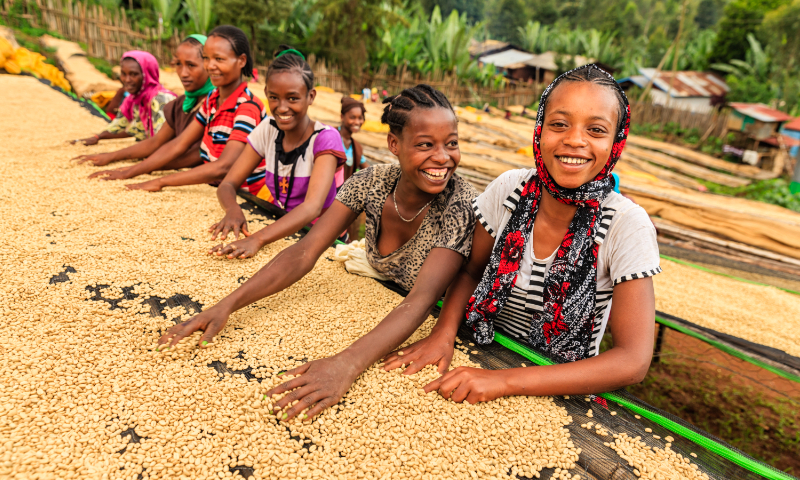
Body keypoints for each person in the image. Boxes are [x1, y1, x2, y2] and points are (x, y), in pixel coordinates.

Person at [158, 85, 479, 421]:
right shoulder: (370, 182)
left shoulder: (459, 205)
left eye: (451, 143)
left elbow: (423, 298)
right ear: (394, 145)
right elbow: (304, 251)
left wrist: (346, 364)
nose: (443, 157)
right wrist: (227, 305)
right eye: (426, 145)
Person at [383, 65, 661, 404]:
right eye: (559, 124)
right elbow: (472, 270)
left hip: (561, 386)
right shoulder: (509, 190)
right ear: (539, 128)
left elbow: (633, 361)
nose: (575, 140)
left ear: (617, 140)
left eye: (596, 129)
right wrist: (443, 333)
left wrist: (503, 382)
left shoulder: (626, 225)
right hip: (480, 349)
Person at [206, 46, 346, 259]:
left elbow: (312, 208)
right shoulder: (268, 129)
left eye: (292, 98)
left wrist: (258, 238)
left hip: (321, 236)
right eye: (274, 97)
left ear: (311, 96)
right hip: (281, 224)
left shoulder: (325, 139)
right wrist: (232, 209)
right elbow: (228, 183)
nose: (281, 108)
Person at [91, 26, 265, 192]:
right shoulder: (212, 100)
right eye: (206, 58)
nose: (210, 66)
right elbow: (179, 144)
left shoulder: (247, 107)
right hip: (216, 187)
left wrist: (160, 181)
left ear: (241, 60)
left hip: (244, 193)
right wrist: (129, 172)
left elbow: (224, 166)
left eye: (219, 59)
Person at [74, 35, 214, 172]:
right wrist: (110, 155)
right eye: (178, 64)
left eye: (191, 65)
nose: (183, 73)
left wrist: (140, 168)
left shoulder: (215, 104)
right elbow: (154, 140)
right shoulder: (180, 104)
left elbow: (193, 152)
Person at [70, 51, 175, 146]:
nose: (127, 80)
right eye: (124, 74)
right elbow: (122, 125)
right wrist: (97, 137)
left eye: (134, 74)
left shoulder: (160, 100)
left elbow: (161, 142)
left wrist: (111, 157)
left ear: (147, 74)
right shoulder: (135, 99)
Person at [334, 96, 366, 190]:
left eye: (360, 118)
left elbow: (366, 168)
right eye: (352, 117)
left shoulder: (356, 147)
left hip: (343, 197)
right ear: (342, 117)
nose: (357, 122)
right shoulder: (331, 137)